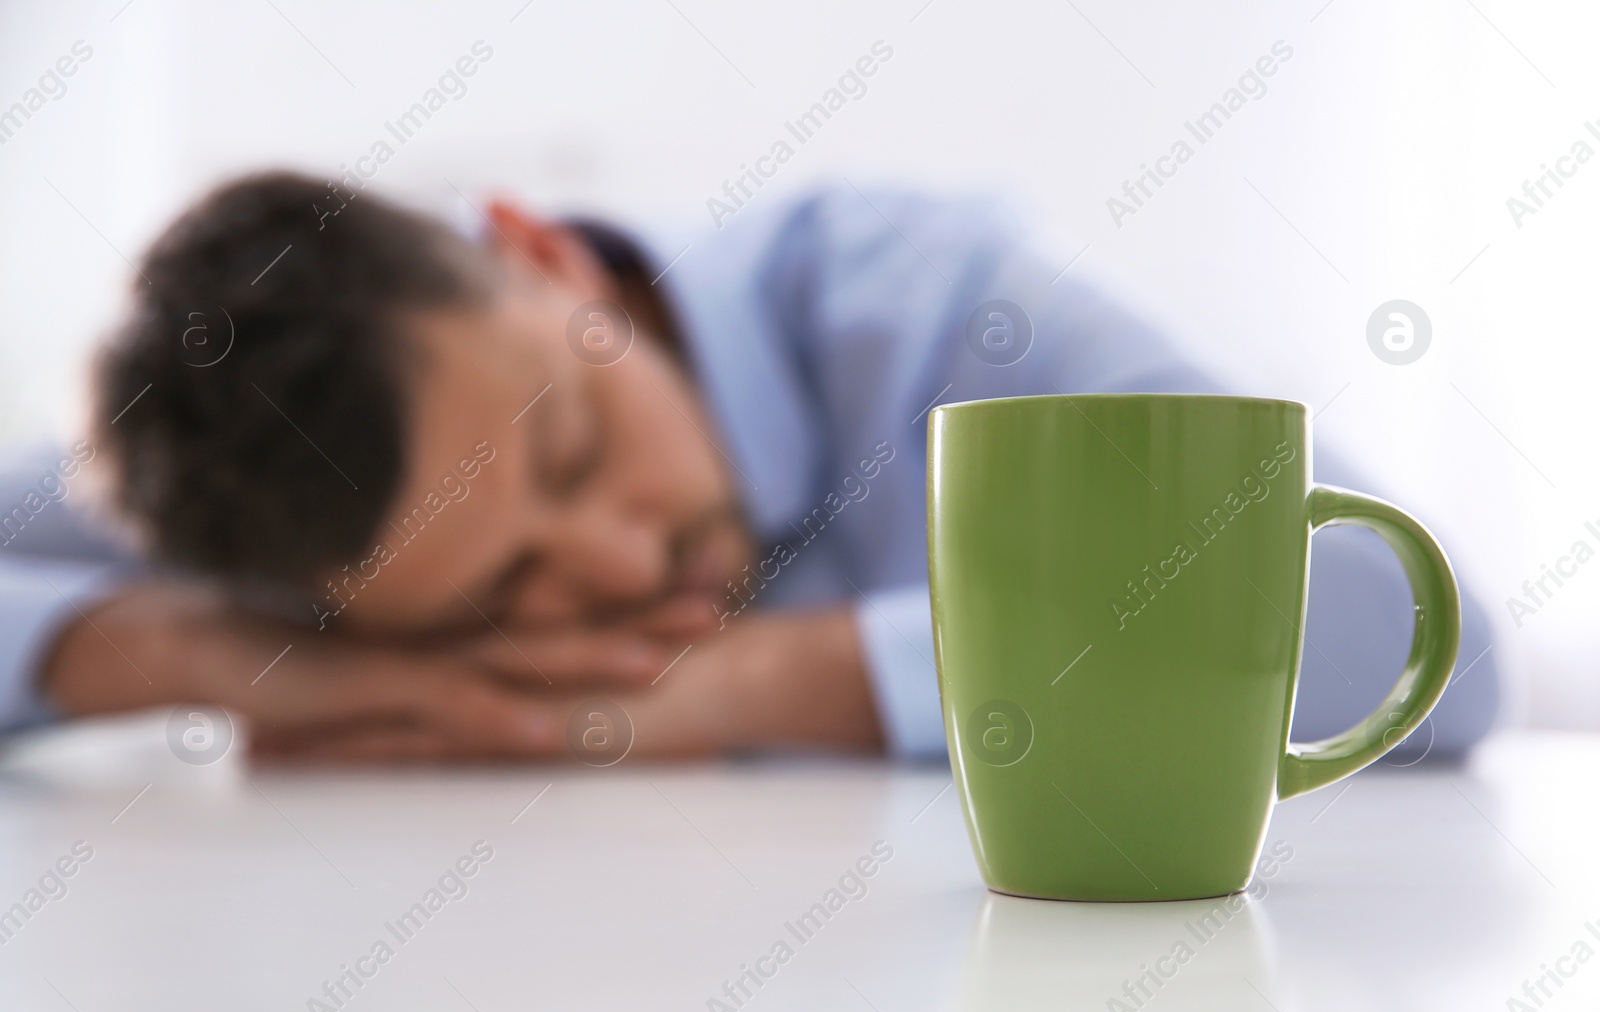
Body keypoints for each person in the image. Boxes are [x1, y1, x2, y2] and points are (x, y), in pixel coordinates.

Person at [0, 173, 1499, 762]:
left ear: (542, 255)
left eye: (575, 449)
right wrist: (192, 651)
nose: (616, 569)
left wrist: (739, 686)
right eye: (502, 585)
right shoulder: (266, 488)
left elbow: (1405, 623)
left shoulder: (911, 307)